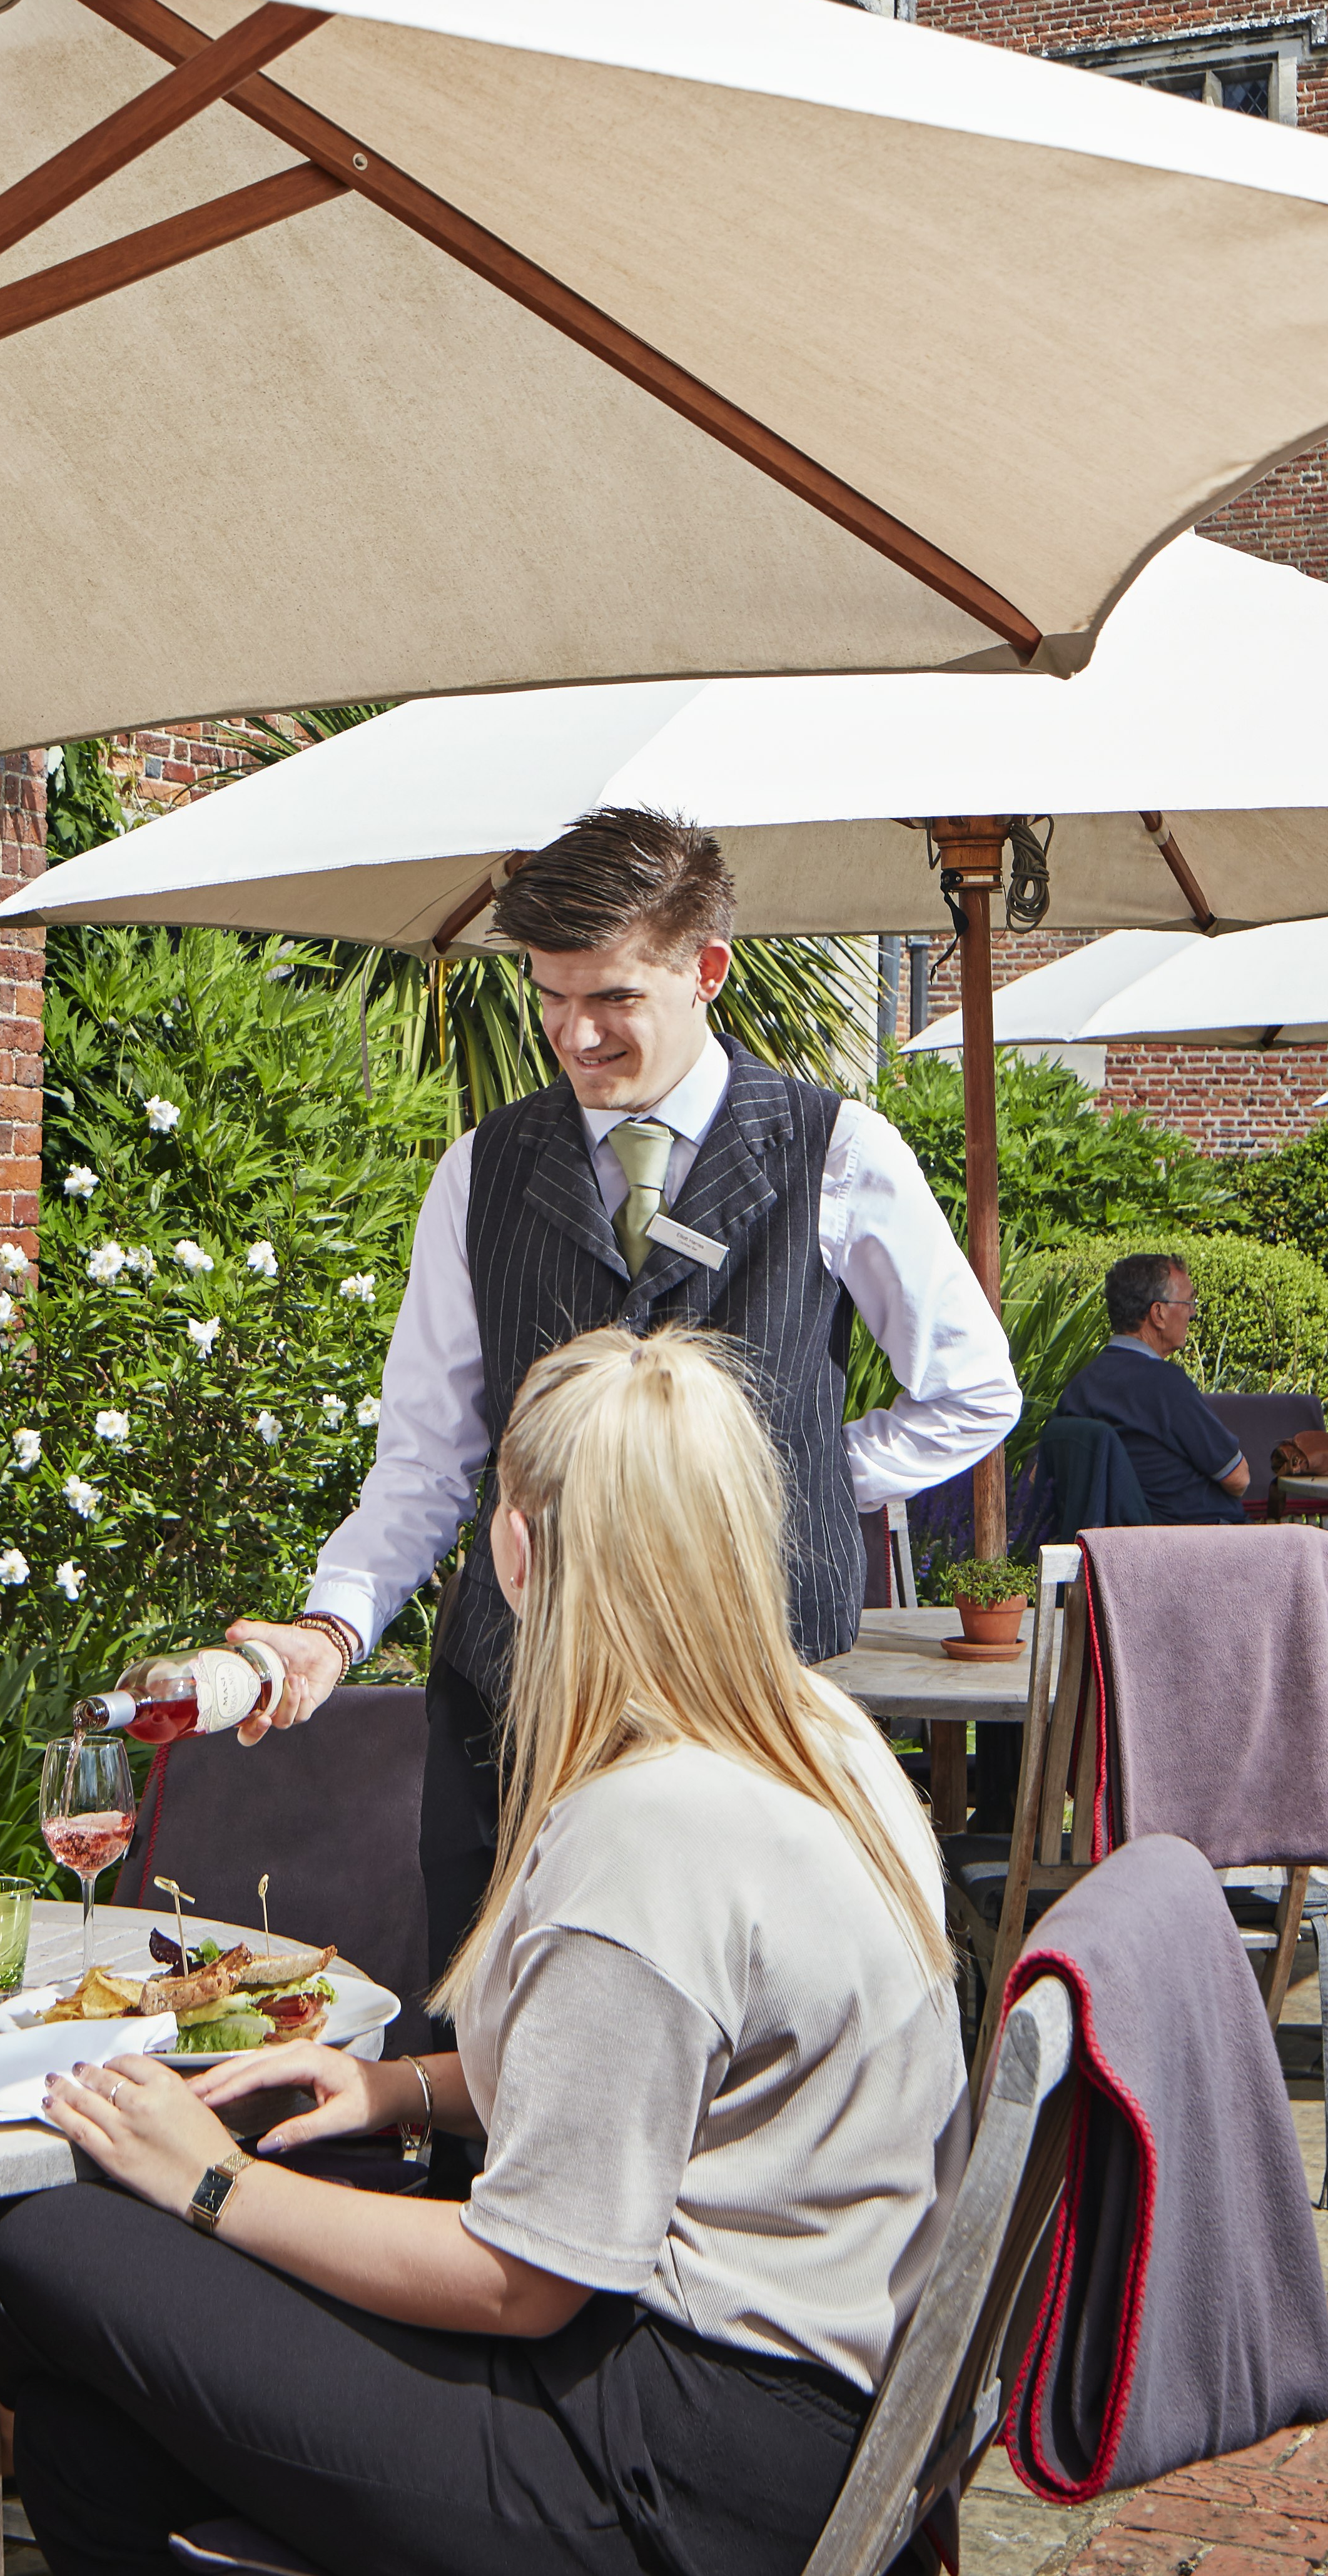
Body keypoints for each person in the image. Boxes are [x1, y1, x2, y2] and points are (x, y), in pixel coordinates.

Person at [0, 1327, 966, 2576]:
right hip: (796, 2412)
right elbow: (667, 2083)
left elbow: (523, 2279)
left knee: (40, 2252)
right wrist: (402, 2089)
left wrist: (213, 2182)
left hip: (665, 2464)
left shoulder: (650, 1831)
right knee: (87, 2429)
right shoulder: (816, 1734)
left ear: (516, 1544)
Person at [216, 808, 1019, 1972]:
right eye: (550, 995)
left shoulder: (838, 1150)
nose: (575, 1034)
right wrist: (334, 1623)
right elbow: (429, 1455)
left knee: (733, 2048)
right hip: (514, 1707)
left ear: (707, 970)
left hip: (750, 1705)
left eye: (613, 999)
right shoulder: (480, 1170)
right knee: (486, 2042)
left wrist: (785, 1475)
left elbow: (971, 1390)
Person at [1053, 1253, 1328, 1761]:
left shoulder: (1082, 1386)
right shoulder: (1162, 1383)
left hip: (1137, 1559)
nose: (1192, 1312)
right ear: (1156, 1313)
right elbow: (1237, 1478)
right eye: (1187, 1302)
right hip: (1207, 1555)